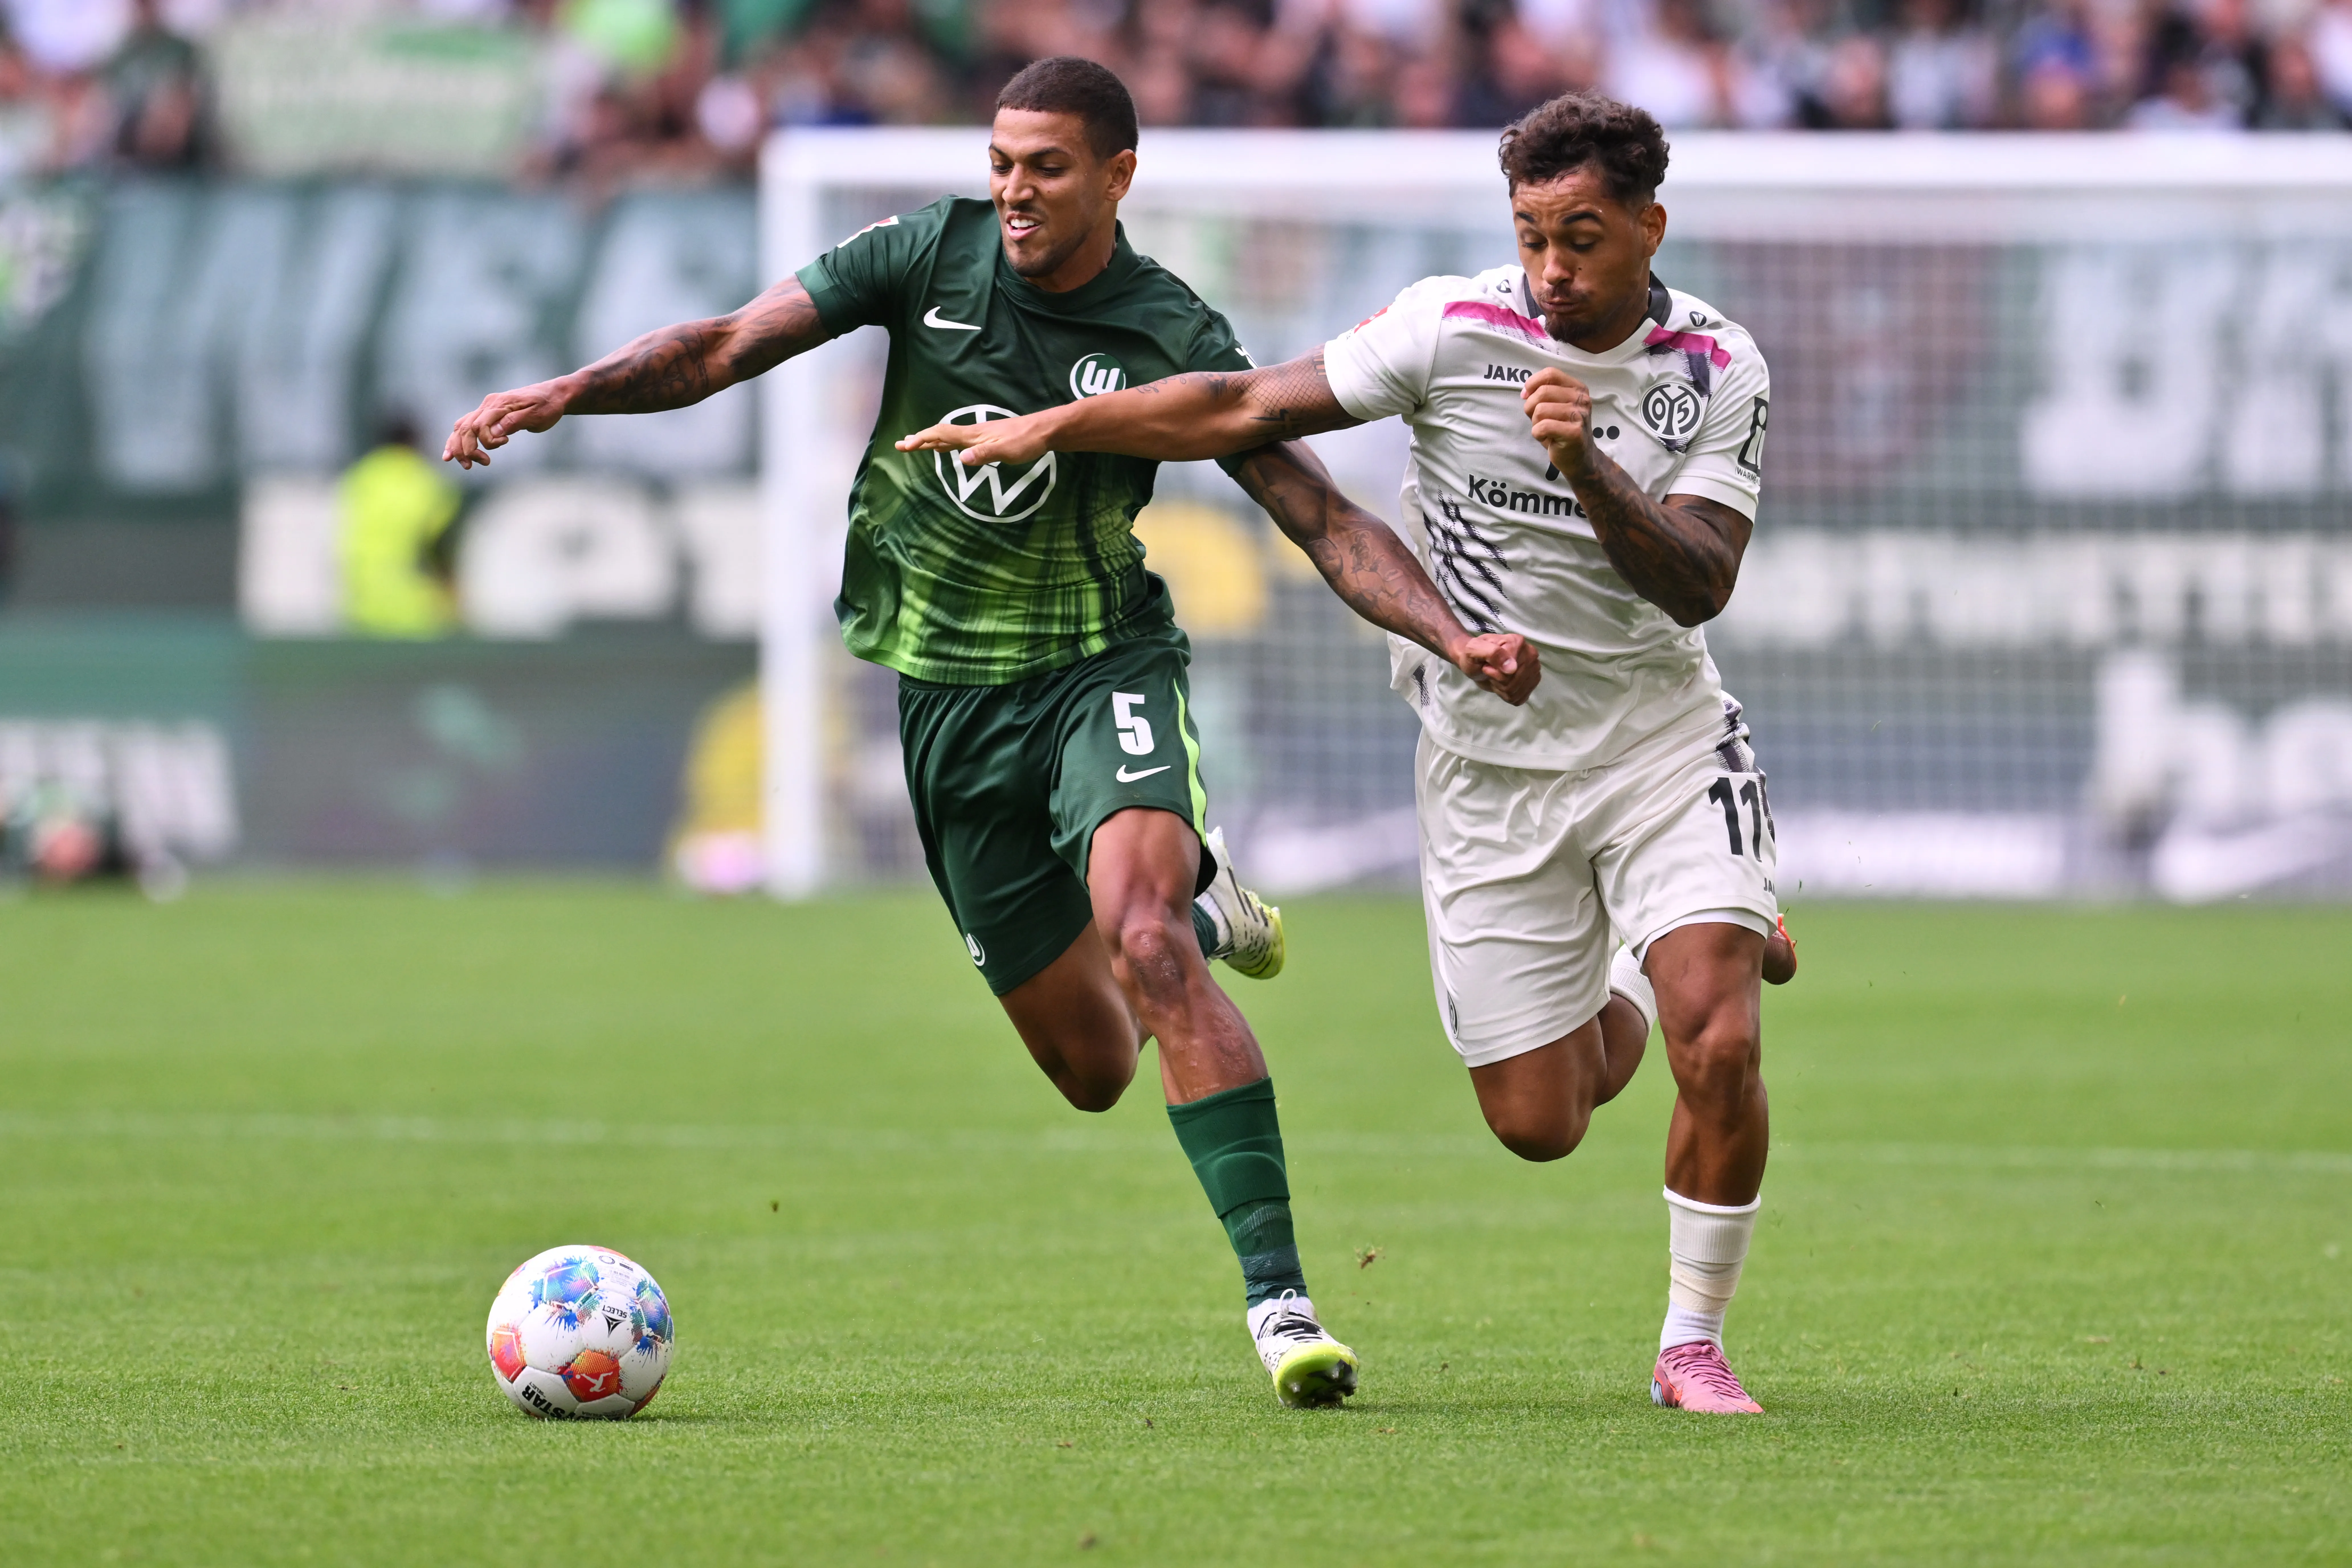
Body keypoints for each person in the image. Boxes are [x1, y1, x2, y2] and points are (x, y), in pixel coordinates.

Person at [443, 57, 1539, 1408]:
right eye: (1003, 162)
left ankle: (1280, 1303)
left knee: (1136, 943)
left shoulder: (1168, 327)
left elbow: (1317, 515)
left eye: (1048, 167)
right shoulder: (924, 253)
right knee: (1092, 1068)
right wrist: (569, 394)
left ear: (1117, 176)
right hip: (945, 705)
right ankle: (1198, 910)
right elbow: (726, 344)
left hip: (1099, 669)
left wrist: (1448, 633)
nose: (1015, 190)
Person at [901, 89, 1790, 1414]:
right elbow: (1247, 405)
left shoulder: (1717, 371)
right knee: (1537, 1121)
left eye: (1585, 238)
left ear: (1649, 228)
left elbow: (1698, 585)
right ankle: (1642, 959)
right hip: (1490, 767)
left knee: (1717, 1043)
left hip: (1661, 740)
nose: (1553, 267)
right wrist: (1051, 424)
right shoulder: (1450, 325)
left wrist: (1588, 465)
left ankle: (1689, 1341)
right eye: (1533, 234)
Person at [340, 416, 462, 638]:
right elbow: (440, 548)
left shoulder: (362, 476)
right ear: (415, 441)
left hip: (364, 603)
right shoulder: (428, 481)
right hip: (415, 607)